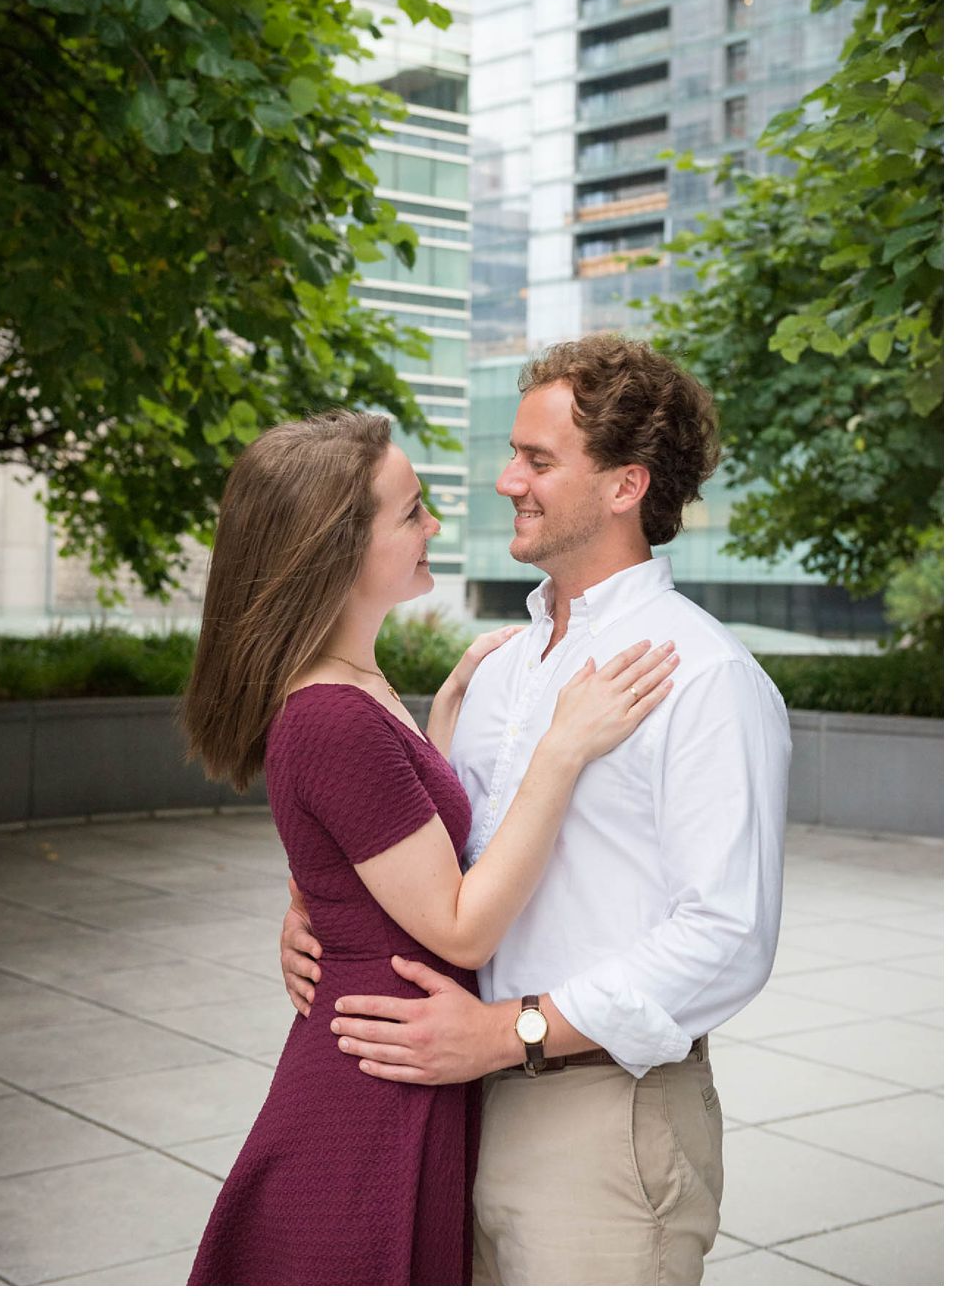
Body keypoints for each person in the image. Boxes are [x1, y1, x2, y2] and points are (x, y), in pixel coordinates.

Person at [280, 335, 791, 1284]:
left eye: (539, 460)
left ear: (626, 486)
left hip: (600, 1117)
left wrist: (514, 1031)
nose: (507, 478)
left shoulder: (706, 676)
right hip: (456, 1105)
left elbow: (728, 937)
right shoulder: (504, 667)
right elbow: (455, 858)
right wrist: (322, 899)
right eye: (513, 453)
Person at [181, 409, 679, 1285]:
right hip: (369, 1100)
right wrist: (562, 750)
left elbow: (380, 850)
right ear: (336, 548)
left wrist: (438, 722)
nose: (434, 527)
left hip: (401, 1064)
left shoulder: (356, 681)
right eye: (411, 512)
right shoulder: (332, 713)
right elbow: (459, 927)